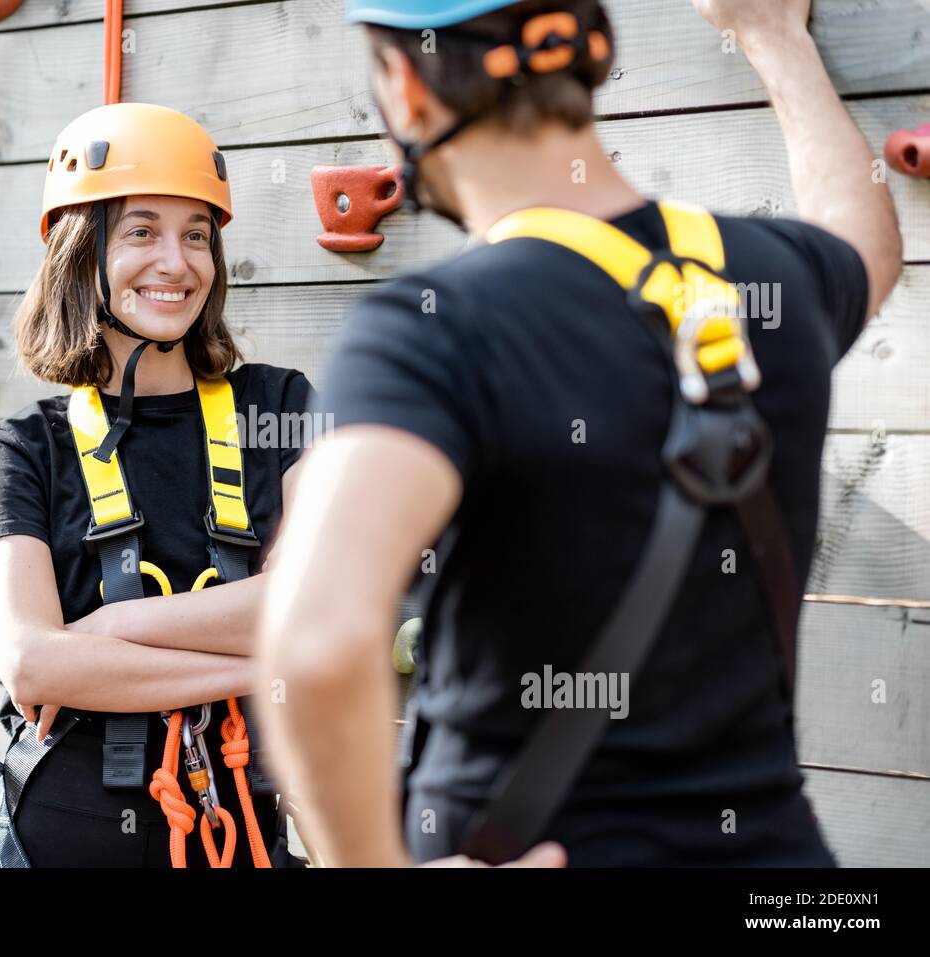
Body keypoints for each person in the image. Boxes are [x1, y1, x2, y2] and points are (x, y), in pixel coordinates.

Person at [255, 0, 902, 866]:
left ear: (404, 89)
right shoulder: (771, 280)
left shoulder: (432, 329)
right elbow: (865, 240)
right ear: (590, 53)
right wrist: (772, 36)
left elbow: (316, 642)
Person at [0, 102, 314, 867]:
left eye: (197, 235)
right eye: (142, 231)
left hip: (244, 836)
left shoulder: (281, 409)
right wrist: (261, 661)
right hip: (59, 838)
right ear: (80, 253)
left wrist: (102, 635)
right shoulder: (25, 448)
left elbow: (320, 601)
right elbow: (30, 663)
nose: (178, 262)